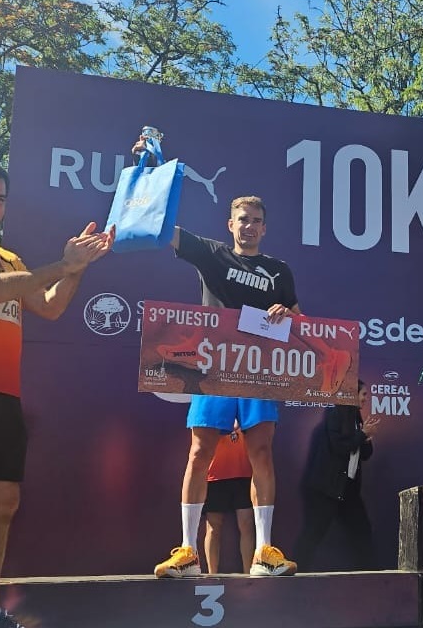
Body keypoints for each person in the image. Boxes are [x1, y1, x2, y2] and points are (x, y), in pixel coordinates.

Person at [143, 135, 301, 578]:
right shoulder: (211, 253)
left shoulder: (278, 270)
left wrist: (286, 314)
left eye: (256, 221)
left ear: (265, 229)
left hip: (258, 371)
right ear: (230, 224)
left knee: (262, 453)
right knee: (199, 452)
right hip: (212, 366)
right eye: (242, 220)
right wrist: (151, 172)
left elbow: (299, 321)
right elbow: (162, 229)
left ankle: (264, 551)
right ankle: (187, 552)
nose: (249, 226)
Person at [0, 157, 114, 628]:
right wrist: (62, 263)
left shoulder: (10, 257)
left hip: (2, 397)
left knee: (0, 506)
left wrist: (78, 269)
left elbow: (51, 307)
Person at [293, 381, 380, 571]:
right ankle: (295, 572)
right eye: (363, 394)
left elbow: (365, 454)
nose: (366, 399)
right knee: (313, 533)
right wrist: (362, 434)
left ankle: (370, 575)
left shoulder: (357, 418)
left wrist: (366, 438)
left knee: (362, 531)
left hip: (349, 490)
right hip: (327, 488)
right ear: (352, 394)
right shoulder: (335, 413)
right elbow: (339, 447)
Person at [202, 425, 254, 574]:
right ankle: (212, 575)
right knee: (213, 527)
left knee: (247, 525)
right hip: (214, 475)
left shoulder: (245, 411)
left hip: (244, 474)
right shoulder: (213, 411)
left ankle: (249, 575)